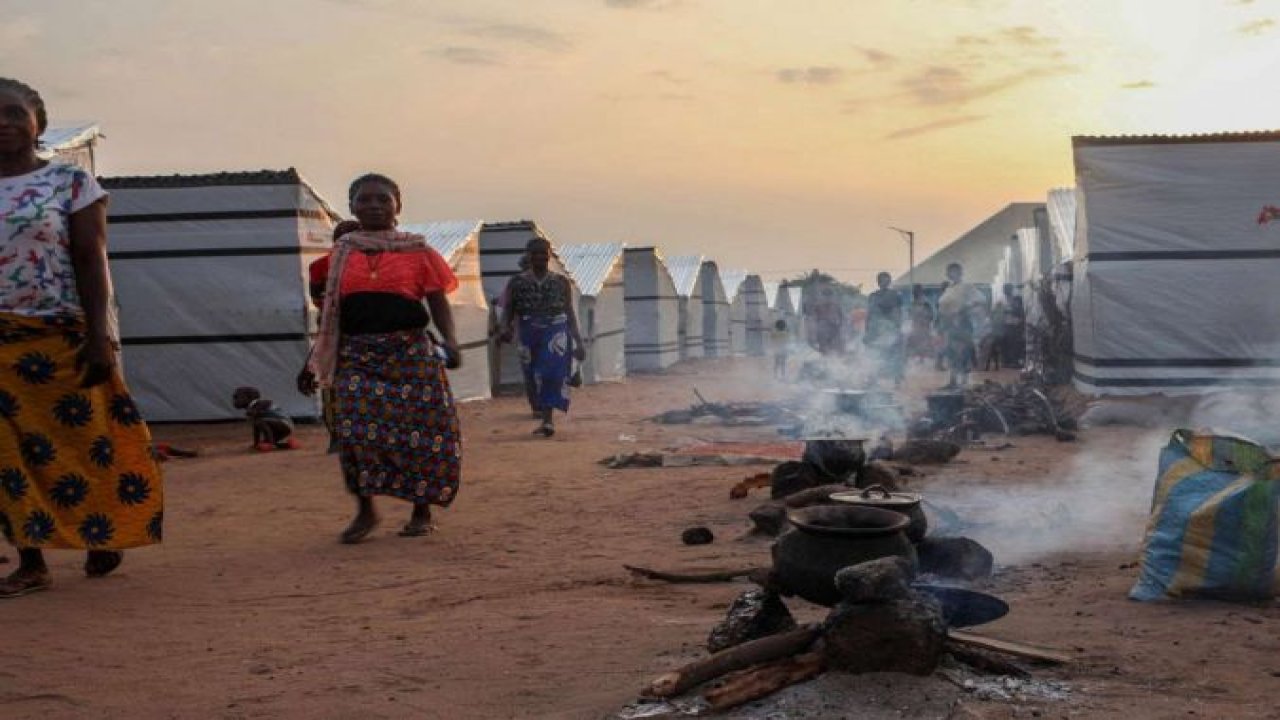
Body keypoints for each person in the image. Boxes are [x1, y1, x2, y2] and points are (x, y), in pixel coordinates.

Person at [0, 78, 164, 597]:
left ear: (37, 124)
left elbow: (92, 261)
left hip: (60, 334)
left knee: (84, 443)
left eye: (12, 113)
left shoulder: (70, 184)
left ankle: (102, 530)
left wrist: (101, 337)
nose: (1, 123)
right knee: (6, 453)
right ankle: (31, 559)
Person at [297, 173, 462, 542]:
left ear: (397, 206)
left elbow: (437, 297)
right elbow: (330, 312)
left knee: (421, 433)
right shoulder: (343, 253)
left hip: (410, 352)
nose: (373, 206)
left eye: (382, 199)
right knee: (354, 434)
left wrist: (451, 340)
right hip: (357, 354)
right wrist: (316, 359)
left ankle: (421, 511)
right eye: (364, 200)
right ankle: (365, 511)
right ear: (352, 206)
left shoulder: (419, 250)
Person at [499, 237, 585, 437]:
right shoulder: (517, 282)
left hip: (556, 331)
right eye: (535, 253)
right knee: (531, 375)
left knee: (551, 374)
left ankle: (548, 421)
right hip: (529, 331)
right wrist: (506, 328)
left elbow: (569, 312)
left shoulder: (561, 282)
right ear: (528, 256)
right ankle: (538, 409)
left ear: (548, 256)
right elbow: (508, 310)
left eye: (543, 253)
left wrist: (578, 341)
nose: (539, 257)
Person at [308, 219, 361, 453]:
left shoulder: (319, 266)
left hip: (332, 333)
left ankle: (338, 437)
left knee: (332, 385)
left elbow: (317, 300)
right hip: (359, 332)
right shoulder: (372, 264)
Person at [936, 263, 985, 390]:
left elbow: (981, 299)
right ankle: (953, 380)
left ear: (960, 272)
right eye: (949, 271)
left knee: (963, 351)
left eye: (954, 271)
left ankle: (964, 381)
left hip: (962, 323)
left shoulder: (967, 287)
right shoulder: (948, 289)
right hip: (949, 324)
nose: (951, 274)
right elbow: (942, 307)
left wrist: (964, 308)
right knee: (951, 352)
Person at [863, 272, 904, 385]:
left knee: (894, 355)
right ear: (878, 282)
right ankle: (873, 379)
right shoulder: (873, 296)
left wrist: (898, 328)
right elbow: (869, 314)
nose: (884, 282)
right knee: (874, 355)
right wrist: (867, 331)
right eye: (882, 280)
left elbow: (898, 313)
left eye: (887, 280)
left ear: (890, 281)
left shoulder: (895, 295)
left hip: (890, 329)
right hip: (875, 330)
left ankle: (897, 379)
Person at [904, 284, 935, 366]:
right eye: (915, 292)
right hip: (916, 326)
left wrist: (924, 320)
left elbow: (931, 316)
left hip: (923, 327)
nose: (915, 294)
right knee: (913, 343)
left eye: (917, 291)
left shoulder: (925, 303)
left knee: (924, 344)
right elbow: (909, 315)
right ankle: (915, 360)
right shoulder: (913, 303)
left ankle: (923, 359)